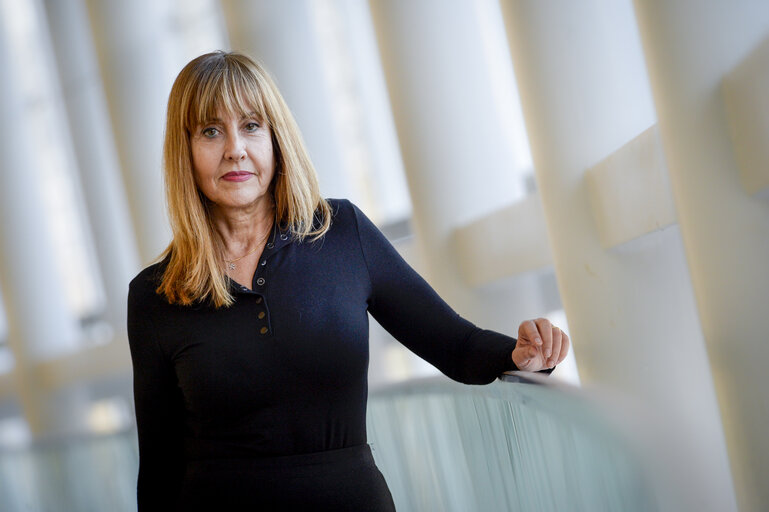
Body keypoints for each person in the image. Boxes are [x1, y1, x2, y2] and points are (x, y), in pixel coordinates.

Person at [127, 51, 570, 511]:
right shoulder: (154, 296)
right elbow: (159, 469)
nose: (235, 148)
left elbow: (454, 345)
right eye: (210, 131)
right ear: (186, 151)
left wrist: (521, 355)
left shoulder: (341, 233)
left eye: (252, 125)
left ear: (278, 138)